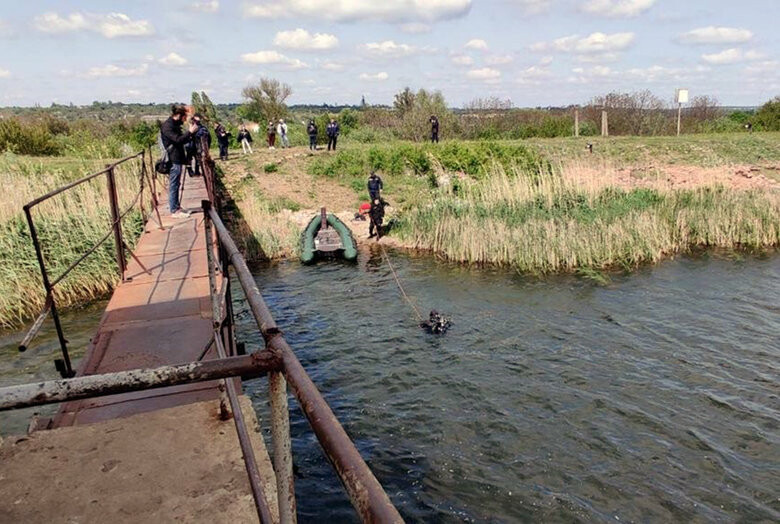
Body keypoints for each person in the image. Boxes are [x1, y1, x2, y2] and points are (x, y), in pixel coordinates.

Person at [160, 104, 197, 218]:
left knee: (176, 183)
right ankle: (174, 210)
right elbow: (178, 140)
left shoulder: (174, 124)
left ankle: (176, 207)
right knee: (174, 184)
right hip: (173, 159)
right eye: (185, 116)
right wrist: (190, 132)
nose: (186, 119)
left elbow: (181, 139)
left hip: (177, 158)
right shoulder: (168, 126)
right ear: (179, 115)